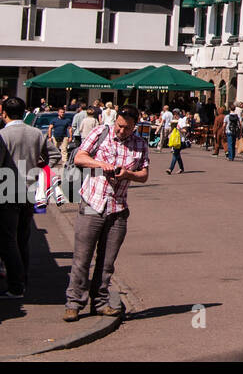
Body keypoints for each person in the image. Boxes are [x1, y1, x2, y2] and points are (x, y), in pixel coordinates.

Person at [65, 105, 148, 321]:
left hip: (118, 208)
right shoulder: (100, 133)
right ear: (116, 120)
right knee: (82, 258)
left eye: (128, 128)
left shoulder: (140, 144)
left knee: (107, 262)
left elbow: (144, 174)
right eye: (120, 126)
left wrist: (128, 173)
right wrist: (102, 165)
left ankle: (100, 302)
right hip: (92, 202)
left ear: (134, 126)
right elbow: (80, 158)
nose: (123, 131)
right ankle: (74, 303)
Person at [0, 97, 50, 299]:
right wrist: (37, 166)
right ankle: (23, 280)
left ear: (4, 113)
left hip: (7, 189)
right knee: (23, 237)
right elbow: (51, 156)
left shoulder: (2, 135)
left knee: (7, 240)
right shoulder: (36, 133)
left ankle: (16, 285)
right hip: (30, 189)